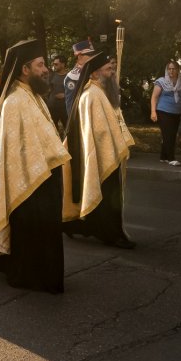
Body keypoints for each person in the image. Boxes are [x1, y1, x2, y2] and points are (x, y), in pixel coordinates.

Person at [0, 39, 70, 293]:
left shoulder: (32, 95)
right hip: (28, 182)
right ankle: (29, 274)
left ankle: (42, 274)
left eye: (45, 64)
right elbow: (14, 151)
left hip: (41, 174)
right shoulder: (15, 101)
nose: (45, 69)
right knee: (32, 232)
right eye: (40, 65)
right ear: (25, 69)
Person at [64, 52, 136, 249]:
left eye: (112, 69)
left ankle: (78, 226)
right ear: (95, 73)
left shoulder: (102, 91)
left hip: (109, 150)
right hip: (102, 153)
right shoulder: (91, 95)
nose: (111, 73)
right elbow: (98, 130)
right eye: (107, 70)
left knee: (107, 195)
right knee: (107, 196)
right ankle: (112, 234)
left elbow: (115, 119)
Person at [64, 40, 97, 113]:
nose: (93, 57)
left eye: (93, 54)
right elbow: (71, 106)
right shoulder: (72, 77)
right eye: (89, 54)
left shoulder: (94, 71)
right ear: (80, 56)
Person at [48, 55, 68, 133]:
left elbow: (75, 91)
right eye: (53, 64)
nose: (54, 66)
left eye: (56, 64)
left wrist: (65, 95)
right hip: (52, 108)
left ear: (63, 64)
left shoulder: (69, 77)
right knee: (53, 131)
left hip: (65, 108)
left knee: (68, 130)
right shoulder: (51, 75)